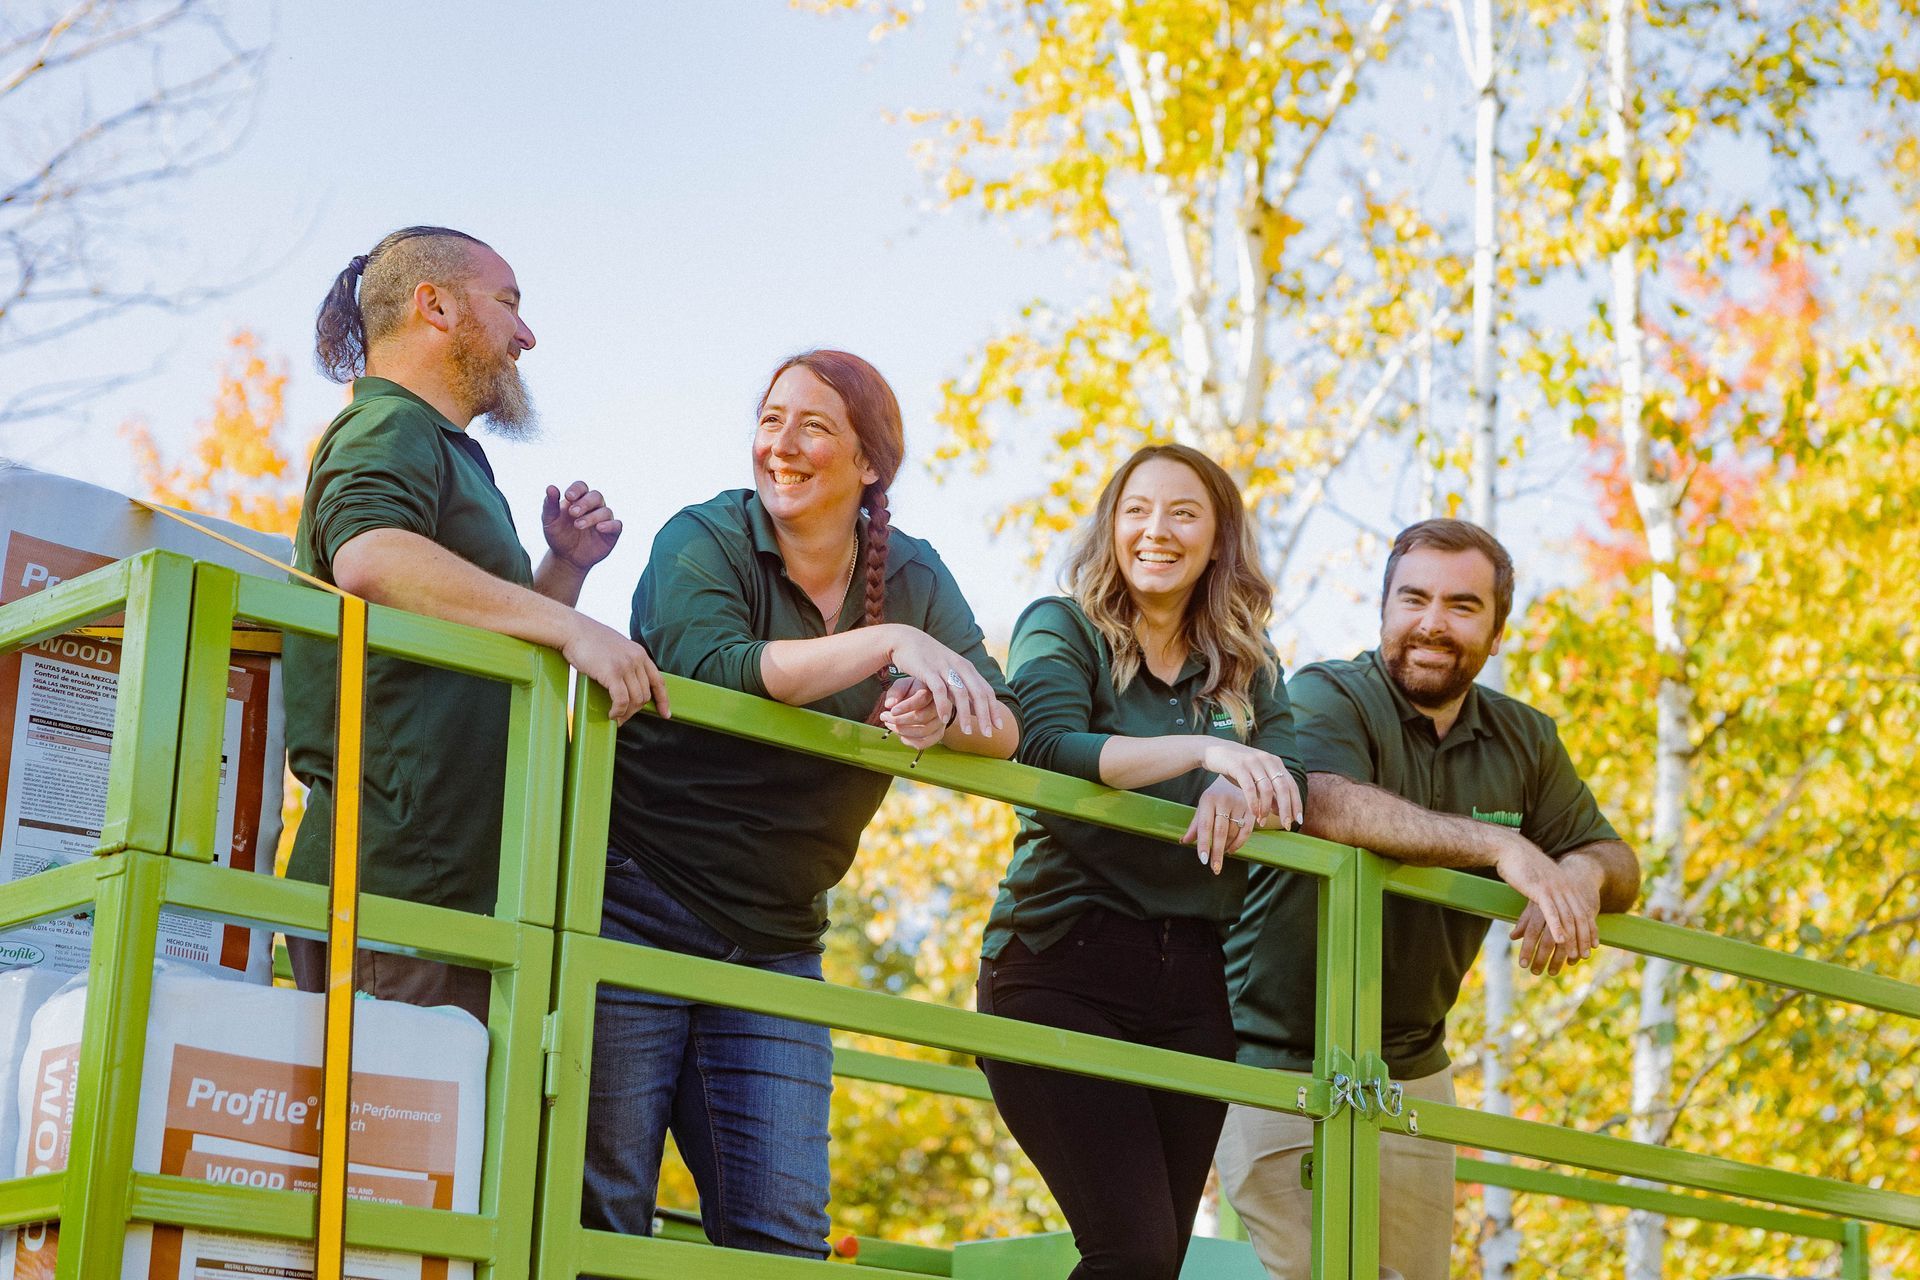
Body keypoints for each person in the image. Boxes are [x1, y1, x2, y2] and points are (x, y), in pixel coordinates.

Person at [583, 349, 1020, 1259]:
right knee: (603, 1213)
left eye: (814, 426)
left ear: (869, 465)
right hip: (632, 903)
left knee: (782, 1235)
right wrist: (888, 645)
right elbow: (716, 670)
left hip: (777, 936)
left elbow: (1006, 723)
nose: (781, 444)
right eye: (771, 419)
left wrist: (939, 709)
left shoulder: (912, 572)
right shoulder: (701, 538)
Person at [1218, 517, 1641, 1280]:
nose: (1432, 624)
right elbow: (1328, 805)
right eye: (1412, 599)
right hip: (1269, 1058)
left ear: (1497, 630)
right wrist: (1504, 846)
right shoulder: (1324, 693)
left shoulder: (1526, 740)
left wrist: (1577, 877)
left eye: (1461, 606)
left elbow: (1618, 861)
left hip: (1412, 1070)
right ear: (1383, 610)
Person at [284, 226, 668, 1022]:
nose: (526, 335)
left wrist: (562, 574)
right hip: (395, 893)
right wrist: (576, 631)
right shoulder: (386, 426)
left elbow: (480, 644)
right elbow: (371, 557)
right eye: (509, 305)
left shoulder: (442, 448)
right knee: (390, 1148)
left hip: (448, 895)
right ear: (435, 305)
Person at [977, 444, 1307, 1280]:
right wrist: (1205, 752)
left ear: (1217, 540)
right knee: (1134, 1250)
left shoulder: (1248, 660)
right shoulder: (1063, 625)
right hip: (1060, 961)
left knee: (1156, 1264)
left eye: (1183, 513)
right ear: (1111, 527)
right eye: (1137, 510)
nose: (1155, 531)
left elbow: (1291, 771)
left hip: (1195, 982)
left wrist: (1246, 794)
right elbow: (1047, 747)